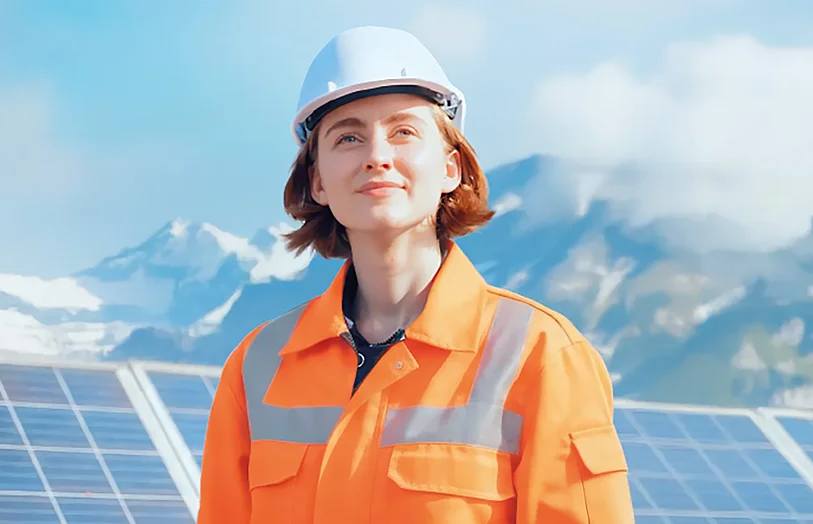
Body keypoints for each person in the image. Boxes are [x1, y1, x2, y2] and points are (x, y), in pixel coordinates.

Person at [196, 25, 635, 524]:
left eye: (404, 132)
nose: (377, 156)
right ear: (317, 181)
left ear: (451, 168)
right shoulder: (257, 367)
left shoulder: (541, 356)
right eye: (348, 137)